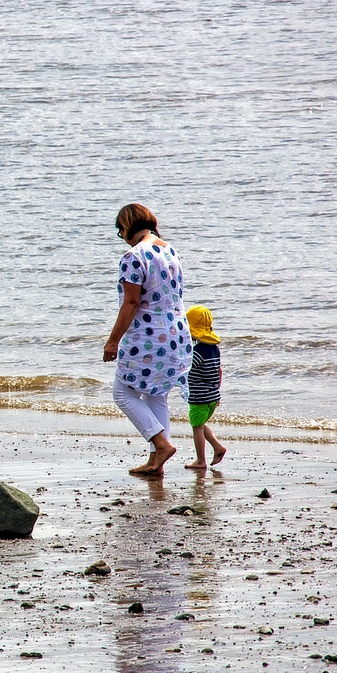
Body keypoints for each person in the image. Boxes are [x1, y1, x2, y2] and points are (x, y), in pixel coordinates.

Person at [102, 203, 193, 477]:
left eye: (121, 231)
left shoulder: (134, 256)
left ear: (127, 226)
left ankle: (160, 444)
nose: (122, 237)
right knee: (156, 396)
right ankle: (156, 462)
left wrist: (112, 341)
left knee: (122, 393)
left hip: (147, 336)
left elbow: (131, 302)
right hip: (176, 335)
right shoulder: (170, 250)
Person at [183, 305, 226, 469]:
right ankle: (217, 447)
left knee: (197, 427)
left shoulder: (196, 352)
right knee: (199, 425)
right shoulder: (214, 349)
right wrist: (217, 390)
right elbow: (219, 371)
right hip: (213, 397)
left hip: (199, 398)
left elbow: (187, 370)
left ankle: (201, 460)